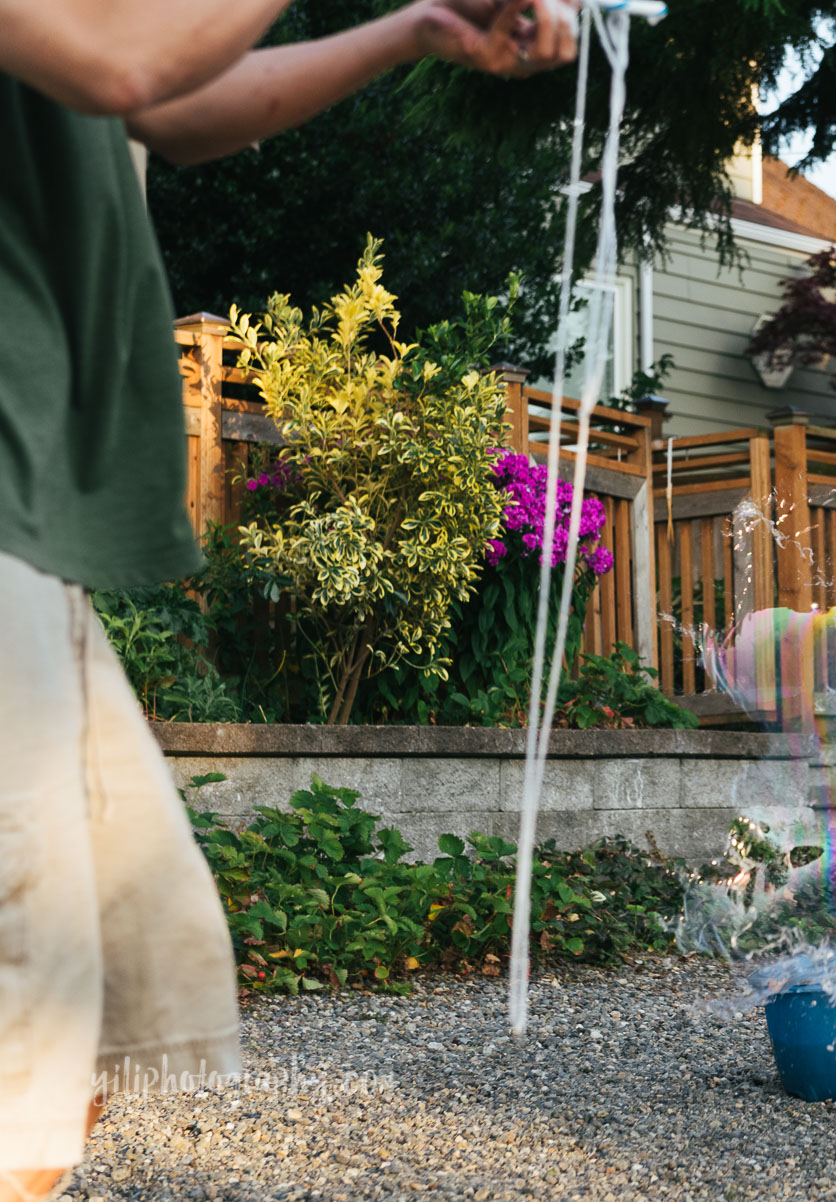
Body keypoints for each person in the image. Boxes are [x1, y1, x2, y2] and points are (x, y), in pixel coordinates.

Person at [0, 4, 576, 1198]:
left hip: (29, 527)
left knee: (106, 992)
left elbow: (168, 105)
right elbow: (128, 65)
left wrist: (413, 26)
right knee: (23, 1039)